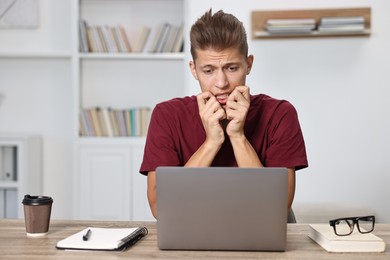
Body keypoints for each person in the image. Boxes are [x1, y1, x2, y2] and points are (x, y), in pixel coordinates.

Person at [140, 9, 308, 220]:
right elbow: (161, 208)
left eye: (231, 68)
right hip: (192, 230)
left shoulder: (280, 114)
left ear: (248, 64)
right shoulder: (167, 115)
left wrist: (237, 137)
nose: (221, 83)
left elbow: (276, 208)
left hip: (260, 230)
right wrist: (211, 142)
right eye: (208, 70)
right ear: (194, 69)